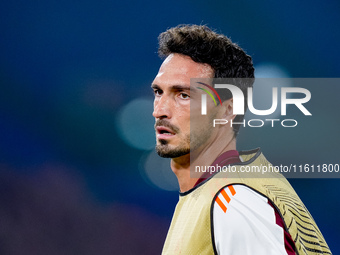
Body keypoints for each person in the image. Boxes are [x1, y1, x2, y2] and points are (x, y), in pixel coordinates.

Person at [151, 24, 331, 255]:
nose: (160, 110)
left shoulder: (233, 202)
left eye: (184, 95)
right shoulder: (219, 190)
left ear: (228, 110)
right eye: (158, 92)